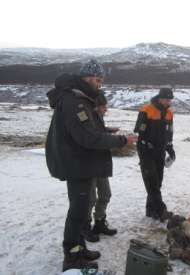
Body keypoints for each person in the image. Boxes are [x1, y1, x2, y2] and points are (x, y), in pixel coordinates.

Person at [45, 59, 137, 271]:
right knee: (77, 212)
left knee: (81, 209)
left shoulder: (82, 98)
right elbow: (88, 138)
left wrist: (107, 133)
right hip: (77, 165)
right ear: (87, 78)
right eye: (98, 79)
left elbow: (89, 132)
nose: (100, 84)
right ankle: (72, 256)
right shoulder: (75, 101)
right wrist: (122, 141)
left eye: (101, 80)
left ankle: (80, 247)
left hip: (81, 163)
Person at [83, 92, 120, 243]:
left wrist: (107, 131)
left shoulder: (98, 118)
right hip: (89, 164)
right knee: (90, 199)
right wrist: (114, 139)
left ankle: (99, 223)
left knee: (105, 194)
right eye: (103, 107)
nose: (106, 110)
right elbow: (92, 139)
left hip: (100, 162)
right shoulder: (88, 118)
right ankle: (85, 227)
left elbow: (99, 134)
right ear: (96, 107)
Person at [134, 88, 175, 221]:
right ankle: (161, 210)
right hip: (146, 151)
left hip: (160, 151)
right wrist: (145, 147)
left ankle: (151, 210)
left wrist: (170, 147)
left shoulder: (169, 113)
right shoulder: (146, 110)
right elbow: (140, 132)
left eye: (170, 100)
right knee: (151, 181)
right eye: (167, 99)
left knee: (158, 182)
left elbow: (169, 132)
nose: (168, 102)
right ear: (160, 98)